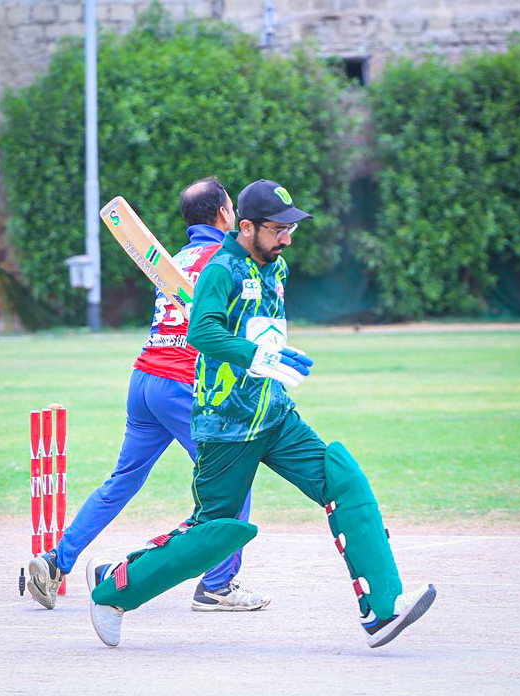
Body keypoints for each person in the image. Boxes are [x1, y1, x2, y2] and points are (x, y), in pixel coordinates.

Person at [86, 179, 436, 649]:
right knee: (214, 532)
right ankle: (113, 590)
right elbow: (202, 333)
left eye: (291, 229)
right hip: (226, 423)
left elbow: (259, 326)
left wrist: (277, 357)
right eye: (278, 230)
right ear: (246, 227)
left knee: (343, 479)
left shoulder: (276, 266)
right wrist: (257, 356)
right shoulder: (220, 269)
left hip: (274, 413)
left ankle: (382, 609)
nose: (286, 239)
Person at [27, 176, 271, 613]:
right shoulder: (227, 260)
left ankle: (56, 561)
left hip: (144, 381)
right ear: (224, 213)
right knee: (232, 480)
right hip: (182, 385)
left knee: (123, 480)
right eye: (231, 207)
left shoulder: (174, 259)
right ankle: (217, 586)